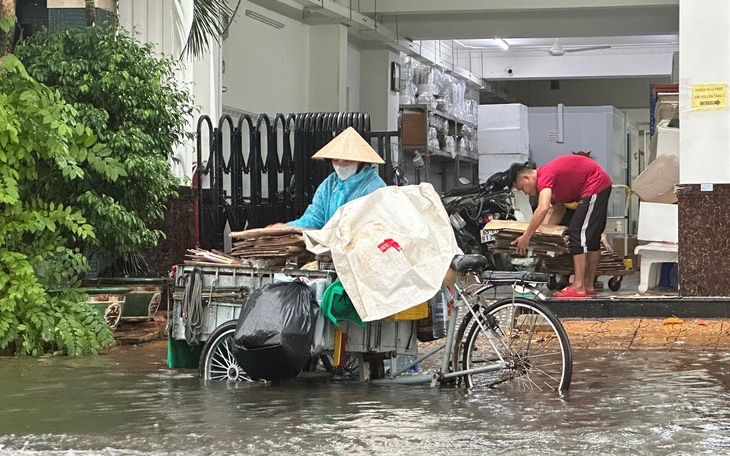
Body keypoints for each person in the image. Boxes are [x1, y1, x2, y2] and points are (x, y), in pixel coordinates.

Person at [506, 155, 612, 298]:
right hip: (599, 185)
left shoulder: (544, 175)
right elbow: (559, 209)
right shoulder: (550, 183)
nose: (525, 193)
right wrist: (545, 236)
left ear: (526, 178)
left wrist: (526, 237)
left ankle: (579, 286)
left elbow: (543, 208)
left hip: (595, 185)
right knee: (592, 238)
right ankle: (588, 284)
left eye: (522, 188)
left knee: (576, 233)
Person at [270, 127, 386, 230]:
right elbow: (315, 217)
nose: (340, 165)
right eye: (335, 160)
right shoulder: (330, 183)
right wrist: (288, 228)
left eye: (346, 160)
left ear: (359, 160)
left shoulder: (374, 186)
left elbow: (377, 226)